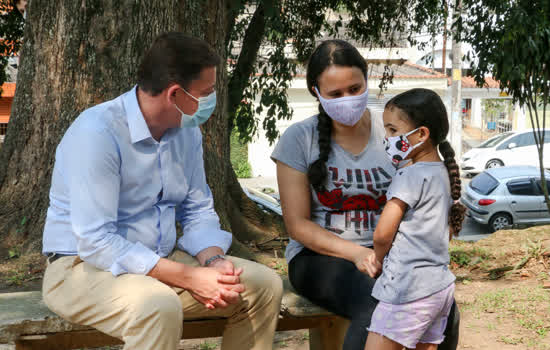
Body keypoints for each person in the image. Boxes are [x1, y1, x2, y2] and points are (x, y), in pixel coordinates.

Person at [41, 32, 283, 350]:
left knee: (263, 286)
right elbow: (96, 241)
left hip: (160, 263)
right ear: (175, 95)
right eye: (207, 92)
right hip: (80, 268)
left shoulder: (187, 132)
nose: (212, 100)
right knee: (157, 307)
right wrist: (188, 277)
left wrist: (213, 262)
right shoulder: (97, 133)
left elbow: (196, 208)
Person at [272, 39, 460, 350]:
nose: (347, 98)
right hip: (319, 258)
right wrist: (358, 253)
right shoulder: (299, 139)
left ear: (366, 81)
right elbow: (297, 225)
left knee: (444, 308)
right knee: (376, 303)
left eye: (355, 88)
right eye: (335, 94)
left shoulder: (394, 133)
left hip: (391, 256)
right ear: (316, 94)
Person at [362, 88, 467, 350]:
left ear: (421, 134)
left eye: (393, 131)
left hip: (407, 290)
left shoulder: (408, 176)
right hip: (439, 290)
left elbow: (383, 234)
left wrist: (377, 257)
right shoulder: (445, 172)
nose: (387, 138)